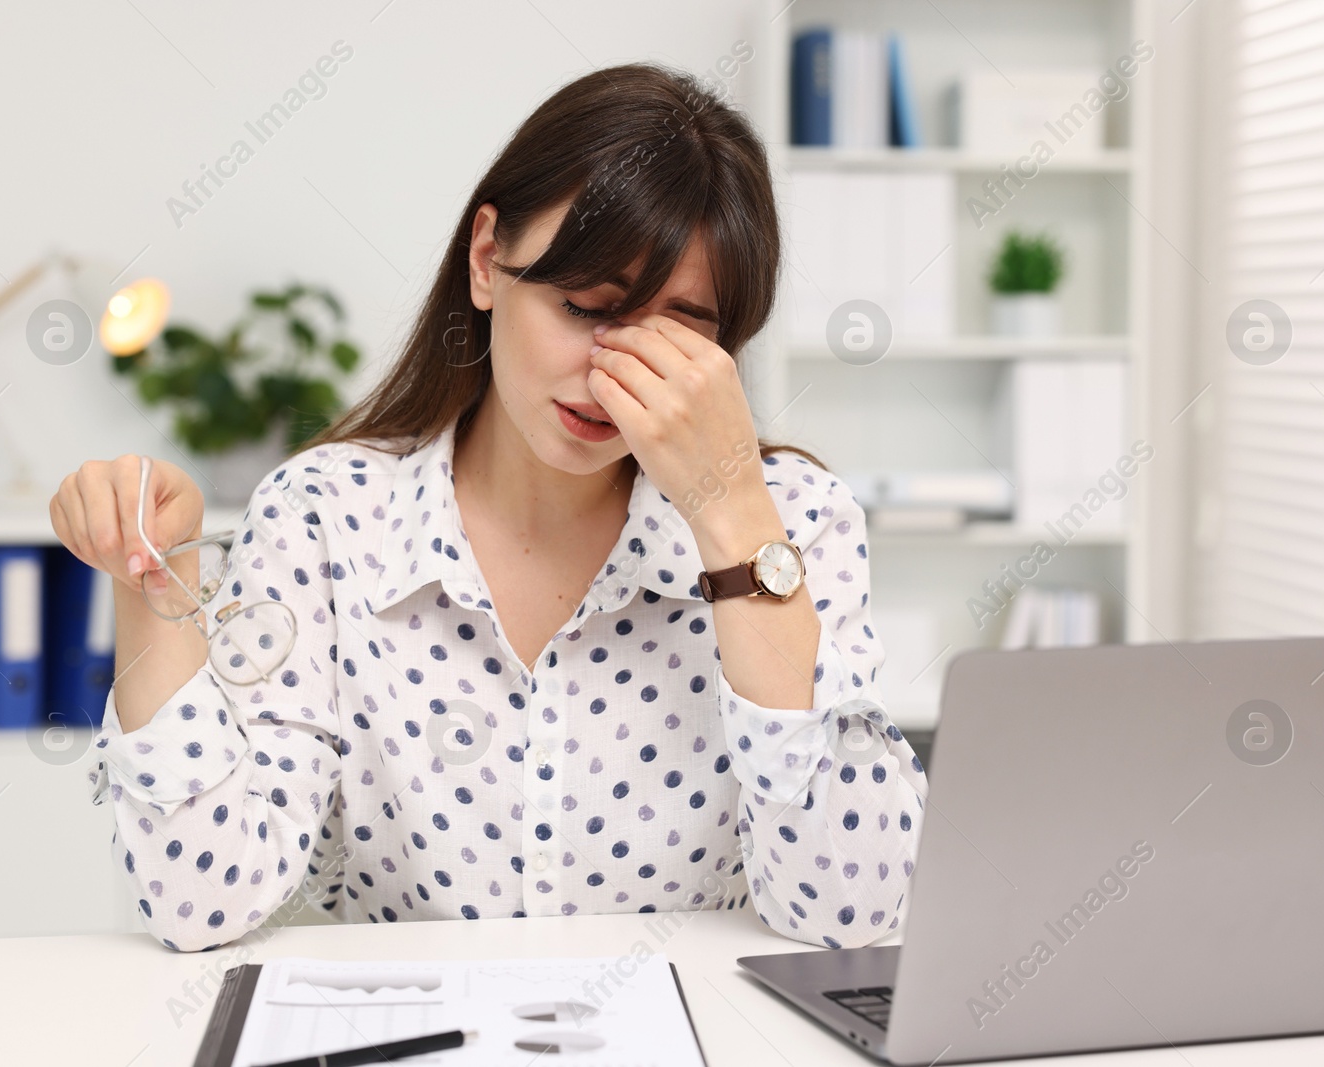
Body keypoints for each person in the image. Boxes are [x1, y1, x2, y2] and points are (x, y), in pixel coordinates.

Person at [51, 62, 926, 953]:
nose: (614, 371)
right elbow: (200, 902)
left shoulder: (795, 522)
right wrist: (150, 577)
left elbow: (855, 913)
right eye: (585, 306)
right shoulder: (326, 516)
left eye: (677, 334)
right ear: (486, 261)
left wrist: (735, 519)